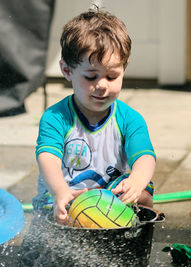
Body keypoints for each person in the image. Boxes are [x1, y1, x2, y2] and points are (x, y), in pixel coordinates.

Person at [33, 7, 156, 225]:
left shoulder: (130, 119)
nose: (101, 86)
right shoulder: (55, 117)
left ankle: (129, 232)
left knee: (144, 192)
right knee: (57, 219)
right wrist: (60, 191)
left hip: (108, 200)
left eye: (112, 76)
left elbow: (144, 157)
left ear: (124, 68)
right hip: (65, 199)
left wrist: (136, 182)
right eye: (91, 77)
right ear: (67, 70)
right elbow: (48, 158)